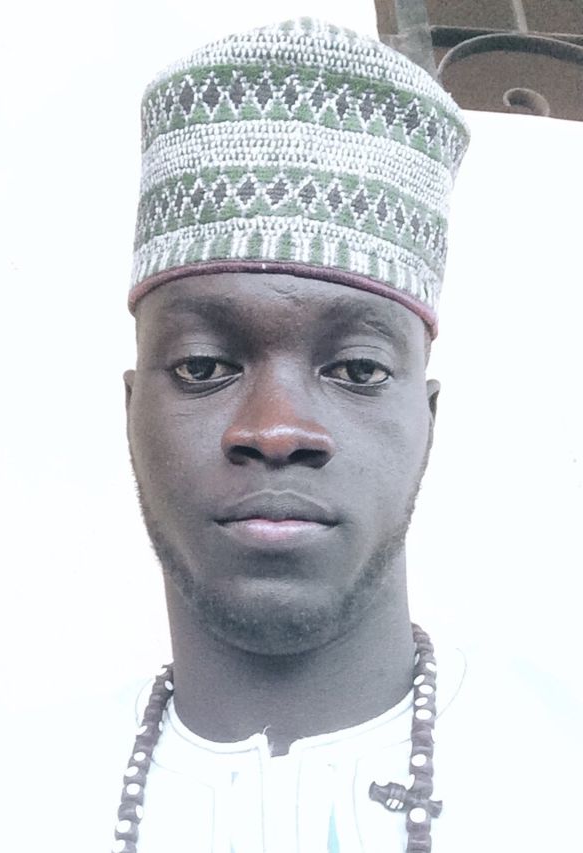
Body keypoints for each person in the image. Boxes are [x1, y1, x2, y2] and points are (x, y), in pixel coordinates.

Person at [111, 17, 578, 853]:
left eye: (358, 369)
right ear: (131, 409)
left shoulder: (559, 768)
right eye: (203, 365)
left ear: (428, 421)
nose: (276, 429)